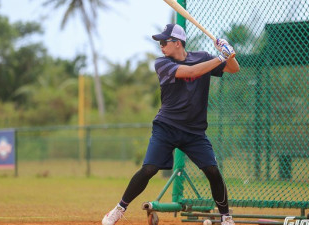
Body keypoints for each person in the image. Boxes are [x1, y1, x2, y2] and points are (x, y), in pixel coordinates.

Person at [102, 23, 240, 225]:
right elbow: (190, 72)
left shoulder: (202, 56)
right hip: (166, 127)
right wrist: (220, 57)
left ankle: (226, 217)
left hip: (194, 132)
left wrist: (229, 53)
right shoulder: (162, 63)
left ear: (177, 43)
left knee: (212, 170)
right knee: (149, 169)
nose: (161, 45)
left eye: (164, 41)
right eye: (160, 42)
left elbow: (234, 69)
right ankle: (119, 209)